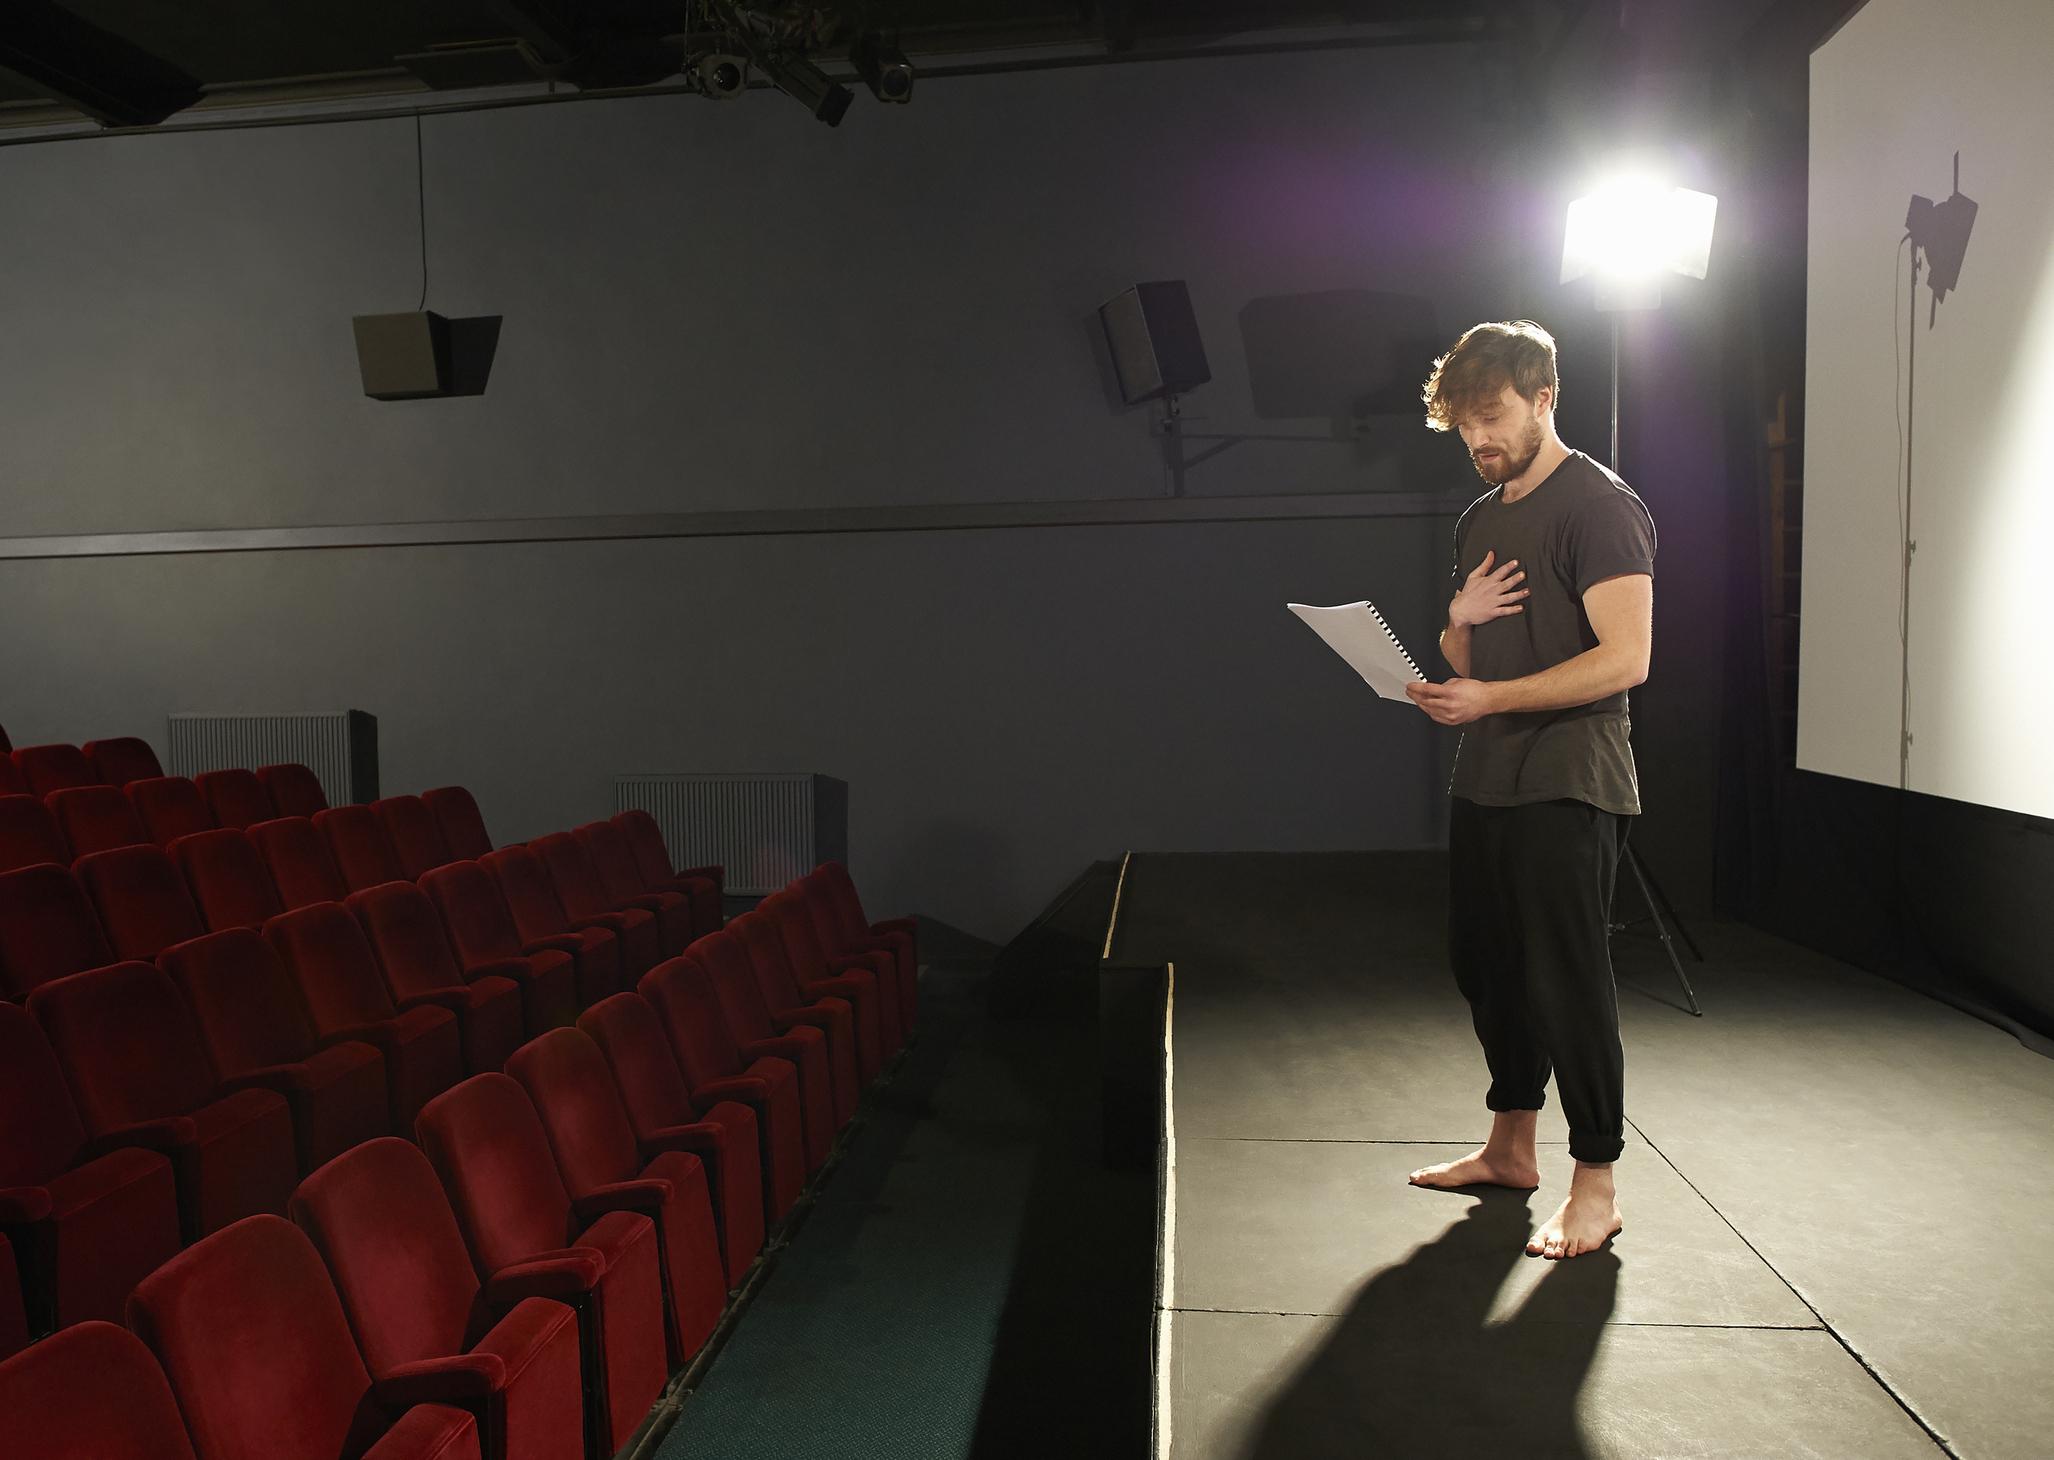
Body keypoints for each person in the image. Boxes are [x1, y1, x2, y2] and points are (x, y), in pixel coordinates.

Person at [1399, 320, 1654, 1262]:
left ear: (1545, 398)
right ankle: (1511, 1149)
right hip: (1488, 774)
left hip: (1569, 776)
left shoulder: (1599, 506)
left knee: (1565, 977)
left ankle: (1598, 1185)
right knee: (1486, 964)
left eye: (1494, 415)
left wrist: (1491, 697)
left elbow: (1627, 659)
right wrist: (1456, 627)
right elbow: (1470, 661)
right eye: (1465, 423)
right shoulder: (1480, 518)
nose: (1480, 438)